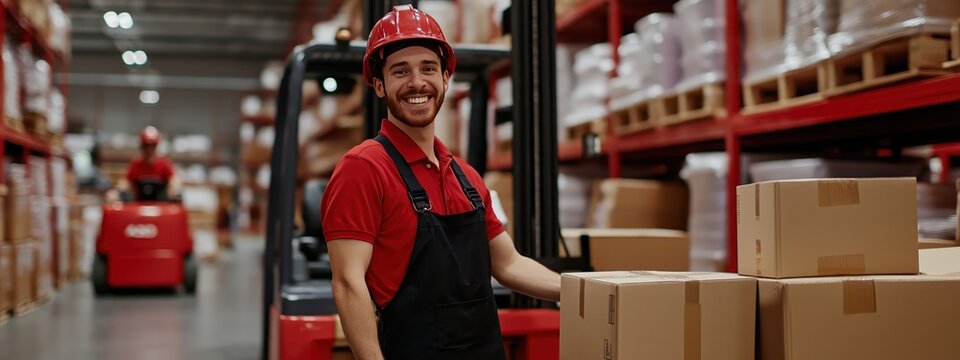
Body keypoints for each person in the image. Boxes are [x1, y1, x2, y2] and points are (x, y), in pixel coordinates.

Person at [321, 5, 561, 360]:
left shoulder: (467, 177)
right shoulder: (363, 168)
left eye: (428, 69)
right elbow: (347, 283)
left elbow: (509, 264)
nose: (417, 83)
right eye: (400, 71)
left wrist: (583, 289)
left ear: (446, 78)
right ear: (378, 85)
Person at [107, 126, 181, 202]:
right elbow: (126, 182)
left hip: (161, 206)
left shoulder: (164, 164)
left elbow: (174, 180)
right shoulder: (136, 164)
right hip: (138, 205)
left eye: (152, 145)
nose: (149, 149)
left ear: (156, 146)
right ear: (142, 146)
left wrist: (174, 189)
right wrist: (116, 192)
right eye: (146, 146)